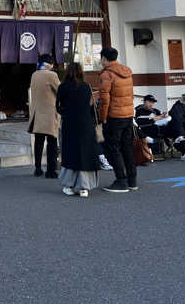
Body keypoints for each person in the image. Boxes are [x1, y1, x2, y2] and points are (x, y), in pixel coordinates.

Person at [56, 61, 100, 197]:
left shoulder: (63, 87)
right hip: (86, 124)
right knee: (85, 153)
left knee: (70, 153)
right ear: (81, 72)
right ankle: (84, 188)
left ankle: (69, 186)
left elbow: (58, 106)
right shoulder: (86, 87)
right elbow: (91, 107)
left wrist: (66, 113)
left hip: (70, 124)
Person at [98, 47, 137, 193]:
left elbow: (104, 99)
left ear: (104, 58)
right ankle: (132, 180)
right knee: (127, 147)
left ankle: (121, 180)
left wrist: (103, 117)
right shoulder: (127, 72)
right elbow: (131, 94)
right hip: (128, 114)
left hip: (114, 116)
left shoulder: (107, 74)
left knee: (113, 148)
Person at [28, 53, 61, 178]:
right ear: (50, 64)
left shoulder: (34, 74)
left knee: (39, 141)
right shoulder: (52, 75)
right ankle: (51, 170)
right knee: (52, 142)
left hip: (37, 112)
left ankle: (37, 168)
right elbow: (60, 90)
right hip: (49, 112)